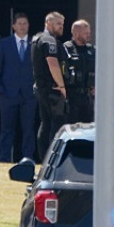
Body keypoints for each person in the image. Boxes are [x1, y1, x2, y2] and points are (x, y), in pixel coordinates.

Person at [0, 12, 36, 162]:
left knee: (28, 130)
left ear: (28, 26)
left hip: (29, 95)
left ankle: (27, 159)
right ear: (14, 26)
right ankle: (4, 159)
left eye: (25, 23)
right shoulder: (4, 43)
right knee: (7, 130)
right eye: (20, 23)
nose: (22, 26)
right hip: (8, 94)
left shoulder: (34, 44)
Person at [33, 12, 69, 159]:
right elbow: (52, 63)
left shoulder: (37, 38)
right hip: (51, 89)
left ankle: (44, 158)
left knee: (46, 123)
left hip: (42, 88)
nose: (61, 27)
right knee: (56, 123)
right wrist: (61, 86)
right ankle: (52, 158)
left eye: (62, 24)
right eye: (58, 24)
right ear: (48, 23)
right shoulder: (48, 40)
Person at [62, 19, 96, 125]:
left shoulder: (92, 50)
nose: (88, 35)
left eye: (89, 33)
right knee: (71, 127)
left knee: (88, 127)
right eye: (85, 33)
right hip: (71, 96)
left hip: (87, 96)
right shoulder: (66, 49)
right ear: (76, 34)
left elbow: (98, 70)